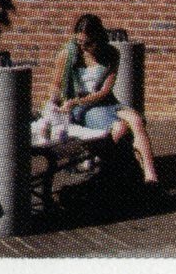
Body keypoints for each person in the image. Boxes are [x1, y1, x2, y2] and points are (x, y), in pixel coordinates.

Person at [50, 13, 159, 186]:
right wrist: (54, 104)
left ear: (99, 38)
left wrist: (77, 102)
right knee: (121, 127)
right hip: (81, 106)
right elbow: (56, 85)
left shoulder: (111, 54)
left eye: (89, 43)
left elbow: (105, 91)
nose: (84, 47)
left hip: (103, 101)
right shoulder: (68, 54)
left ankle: (150, 175)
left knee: (137, 120)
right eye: (79, 42)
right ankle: (111, 169)